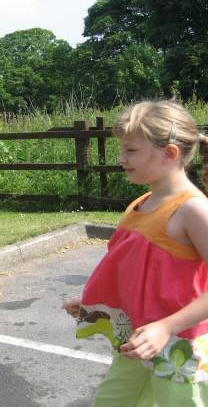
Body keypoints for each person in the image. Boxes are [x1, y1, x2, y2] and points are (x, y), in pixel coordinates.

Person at [62, 100, 208, 406]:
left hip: (181, 345)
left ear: (169, 154)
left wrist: (166, 327)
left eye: (131, 150)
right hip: (139, 340)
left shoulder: (193, 210)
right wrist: (95, 302)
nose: (121, 158)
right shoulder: (142, 203)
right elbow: (134, 271)